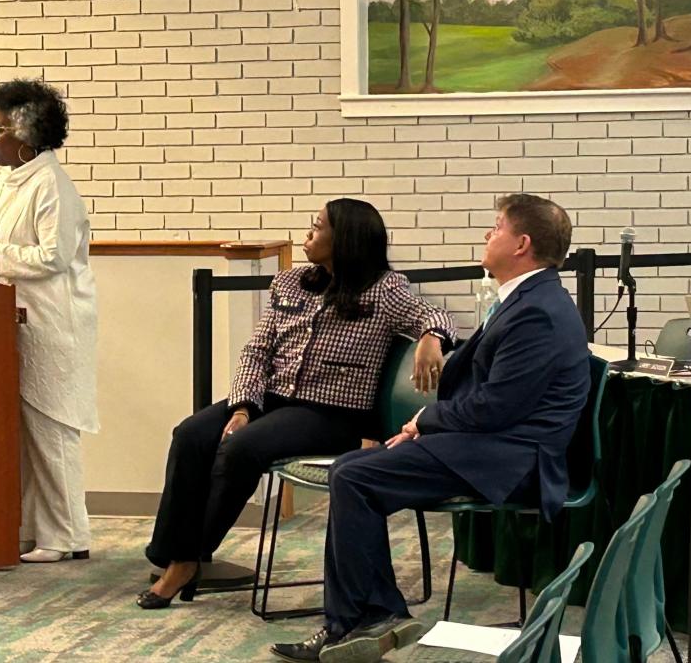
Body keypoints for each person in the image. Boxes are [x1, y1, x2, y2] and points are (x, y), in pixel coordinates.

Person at [274, 193, 590, 663]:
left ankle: (362, 618)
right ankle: (369, 616)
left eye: (497, 227)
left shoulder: (538, 310)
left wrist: (425, 422)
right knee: (354, 470)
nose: (488, 235)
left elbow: (496, 407)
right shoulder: (525, 298)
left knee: (354, 476)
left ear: (522, 244)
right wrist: (426, 430)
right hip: (488, 444)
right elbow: (485, 397)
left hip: (514, 458)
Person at [137, 197, 458, 610]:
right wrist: (242, 408)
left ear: (345, 239)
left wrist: (431, 338)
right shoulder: (290, 283)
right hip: (270, 399)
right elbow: (257, 350)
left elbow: (434, 315)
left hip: (330, 413)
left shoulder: (384, 289)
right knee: (192, 434)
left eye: (318, 227)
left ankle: (188, 560)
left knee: (242, 448)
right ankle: (170, 553)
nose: (308, 233)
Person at [0, 78, 98, 564]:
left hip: (51, 321)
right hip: (10, 318)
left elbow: (54, 257)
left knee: (50, 428)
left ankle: (66, 535)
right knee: (21, 432)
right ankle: (31, 528)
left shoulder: (53, 186)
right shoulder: (1, 184)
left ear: (28, 134)